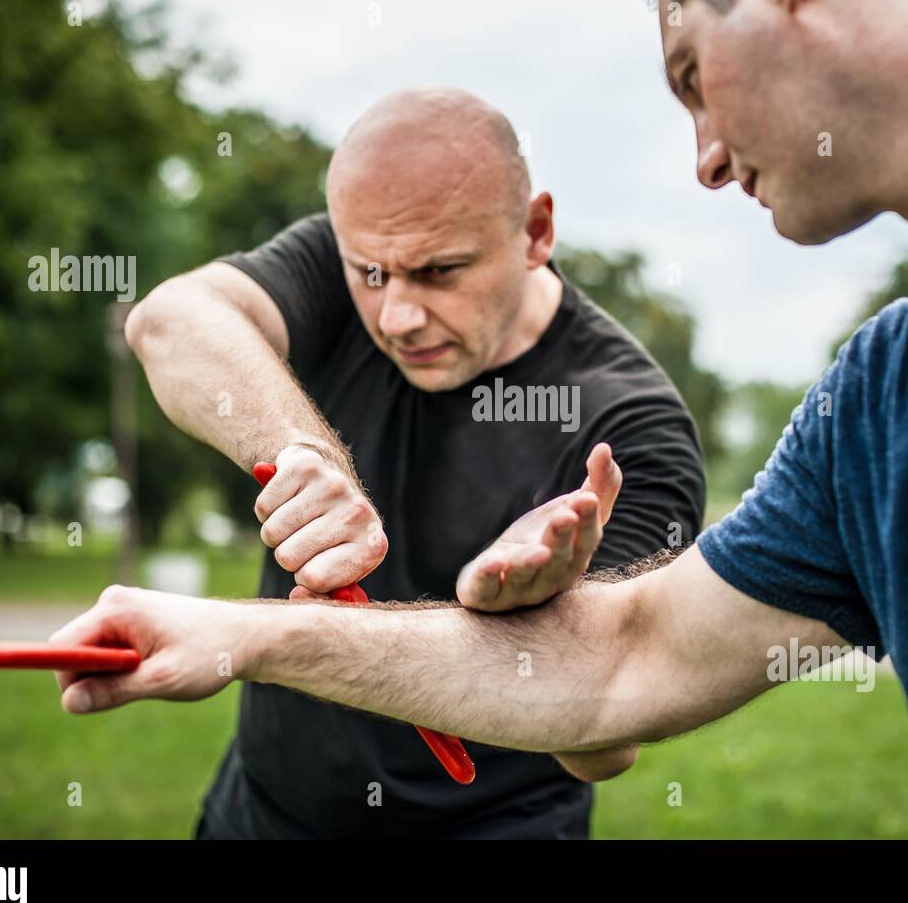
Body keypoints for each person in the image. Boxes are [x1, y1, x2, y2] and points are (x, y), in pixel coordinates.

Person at [60, 0, 908, 837]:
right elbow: (621, 664)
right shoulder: (873, 406)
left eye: (692, 75)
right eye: (371, 278)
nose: (699, 161)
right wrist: (238, 633)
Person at [122, 87, 706, 838]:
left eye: (440, 272)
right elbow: (169, 322)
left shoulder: (631, 424)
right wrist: (307, 457)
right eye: (372, 273)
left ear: (535, 232)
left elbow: (606, 744)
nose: (397, 314)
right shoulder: (355, 260)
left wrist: (538, 612)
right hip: (260, 817)